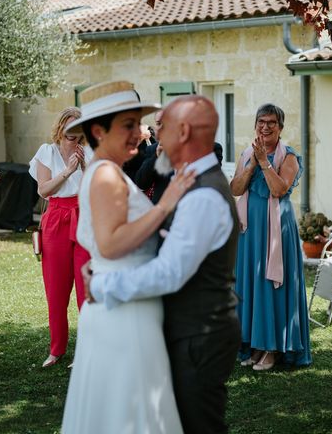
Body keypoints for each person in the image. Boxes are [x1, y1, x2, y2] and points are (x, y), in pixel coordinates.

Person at [87, 94, 241, 434]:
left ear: (183, 131)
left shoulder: (202, 196)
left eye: (163, 126)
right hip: (189, 330)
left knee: (198, 426)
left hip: (199, 334)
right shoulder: (189, 182)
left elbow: (170, 273)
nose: (155, 132)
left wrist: (102, 285)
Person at [62, 81, 194, 433]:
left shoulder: (110, 171)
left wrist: (97, 267)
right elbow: (111, 243)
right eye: (128, 125)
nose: (139, 133)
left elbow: (102, 242)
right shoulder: (106, 174)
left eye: (138, 123)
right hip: (124, 312)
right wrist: (167, 203)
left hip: (123, 299)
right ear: (98, 131)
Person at [230, 103, 312, 371]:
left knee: (270, 285)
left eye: (271, 123)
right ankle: (254, 345)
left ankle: (273, 348)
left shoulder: (288, 157)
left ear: (280, 128)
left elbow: (278, 189)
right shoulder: (246, 153)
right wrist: (253, 162)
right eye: (261, 122)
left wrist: (265, 163)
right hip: (250, 231)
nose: (265, 127)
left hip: (276, 231)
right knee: (251, 286)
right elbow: (236, 188)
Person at [29, 107, 94, 367]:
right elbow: (44, 190)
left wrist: (86, 166)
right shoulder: (47, 151)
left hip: (83, 214)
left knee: (85, 288)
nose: (73, 134)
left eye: (78, 130)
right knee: (55, 288)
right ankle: (56, 349)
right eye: (69, 129)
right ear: (60, 127)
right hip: (56, 216)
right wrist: (68, 170)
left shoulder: (89, 152)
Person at [135, 109, 171, 204]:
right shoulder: (152, 149)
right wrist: (156, 156)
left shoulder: (209, 149)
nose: (161, 128)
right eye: (158, 123)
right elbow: (141, 183)